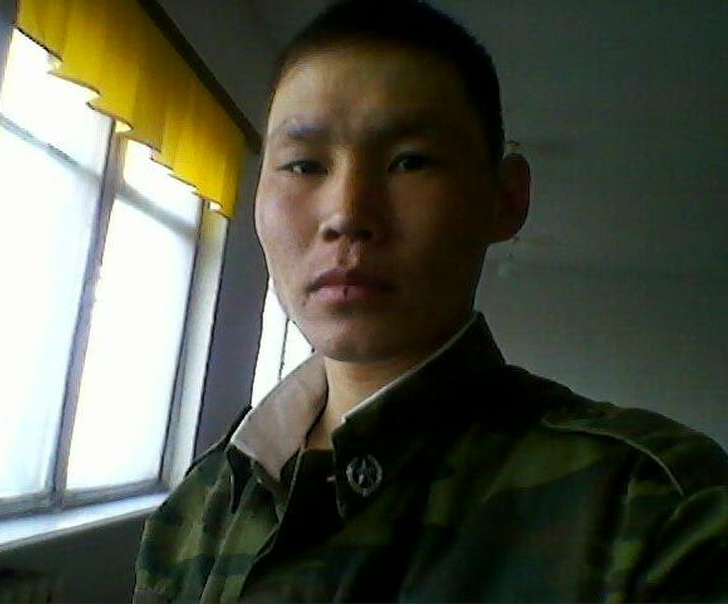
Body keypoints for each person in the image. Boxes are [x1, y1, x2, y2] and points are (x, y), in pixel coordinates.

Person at [132, 1, 728, 602]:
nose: (347, 213)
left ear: (506, 199)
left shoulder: (653, 508)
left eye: (410, 162)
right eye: (304, 165)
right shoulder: (201, 505)